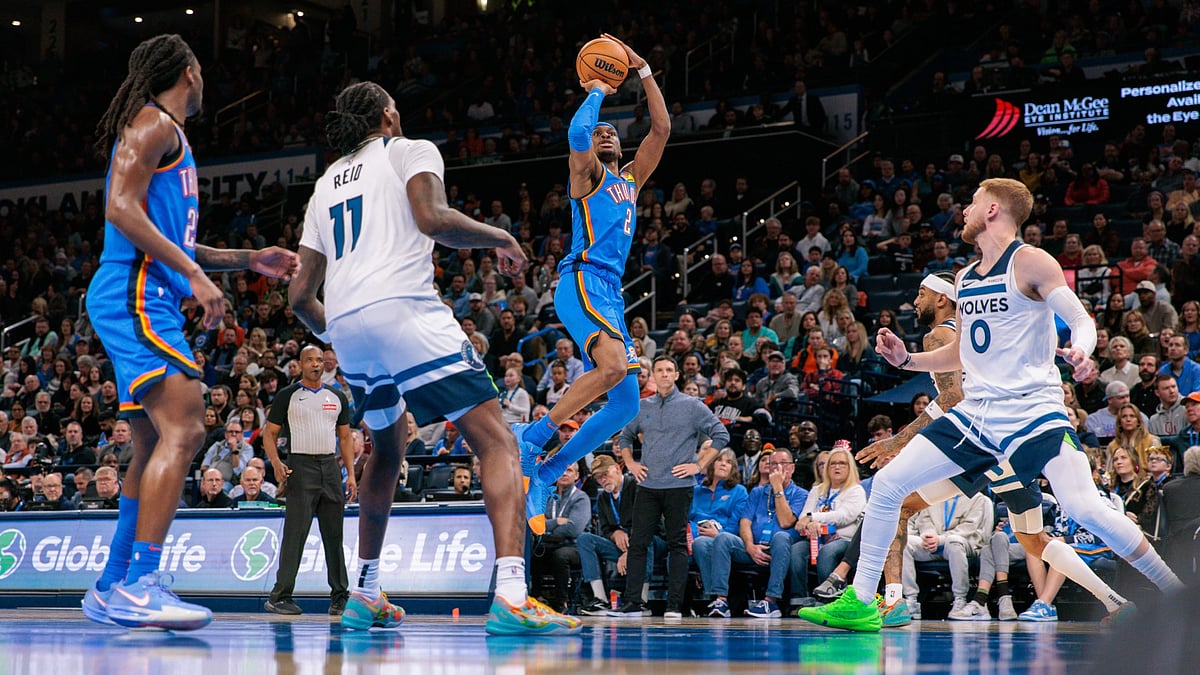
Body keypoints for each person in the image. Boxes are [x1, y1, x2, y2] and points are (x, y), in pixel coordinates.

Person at [802, 178, 1181, 632]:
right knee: (886, 486)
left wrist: (1082, 350)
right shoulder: (964, 277)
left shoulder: (1031, 262)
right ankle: (863, 601)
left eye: (972, 201)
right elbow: (965, 351)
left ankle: (1176, 594)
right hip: (978, 414)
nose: (964, 210)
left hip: (1031, 411)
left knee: (1084, 508)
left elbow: (1079, 318)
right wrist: (907, 360)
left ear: (995, 210)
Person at [285, 80, 577, 635]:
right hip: (404, 310)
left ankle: (363, 594)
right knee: (496, 439)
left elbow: (299, 297)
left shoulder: (323, 186)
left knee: (388, 449)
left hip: (345, 328)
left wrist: (348, 330)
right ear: (389, 116)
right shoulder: (410, 150)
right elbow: (433, 219)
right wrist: (502, 238)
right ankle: (513, 595)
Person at [82, 34, 301, 631]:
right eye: (203, 70)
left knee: (153, 442)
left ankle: (111, 586)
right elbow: (120, 210)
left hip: (146, 293)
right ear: (188, 71)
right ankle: (142, 584)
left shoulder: (167, 134)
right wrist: (195, 276)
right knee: (186, 424)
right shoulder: (152, 124)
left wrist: (247, 258)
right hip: (135, 295)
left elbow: (174, 239)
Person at [512, 34, 670, 540]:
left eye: (610, 133)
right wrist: (599, 89)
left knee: (625, 405)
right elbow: (578, 132)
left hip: (610, 294)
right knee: (614, 367)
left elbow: (661, 129)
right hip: (580, 280)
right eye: (599, 132)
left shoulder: (630, 182)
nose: (602, 133)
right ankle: (531, 438)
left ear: (621, 147)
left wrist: (642, 70)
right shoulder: (586, 174)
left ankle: (547, 469)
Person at [610, 356, 726, 618]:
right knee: (638, 544)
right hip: (647, 485)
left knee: (677, 545)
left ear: (676, 375)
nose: (663, 374)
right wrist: (630, 463)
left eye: (668, 370)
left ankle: (674, 605)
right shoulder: (642, 405)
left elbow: (721, 434)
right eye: (659, 370)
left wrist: (699, 465)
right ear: (653, 375)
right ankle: (632, 604)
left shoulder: (693, 406)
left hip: (678, 486)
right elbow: (626, 436)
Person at [260, 345, 356, 617]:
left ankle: (340, 598)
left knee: (334, 536)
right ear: (301, 364)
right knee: (295, 534)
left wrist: (349, 474)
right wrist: (278, 464)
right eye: (310, 360)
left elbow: (346, 438)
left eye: (320, 360)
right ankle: (280, 596)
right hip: (300, 466)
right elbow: (269, 434)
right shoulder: (287, 395)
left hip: (330, 467)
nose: (316, 364)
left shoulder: (336, 396)